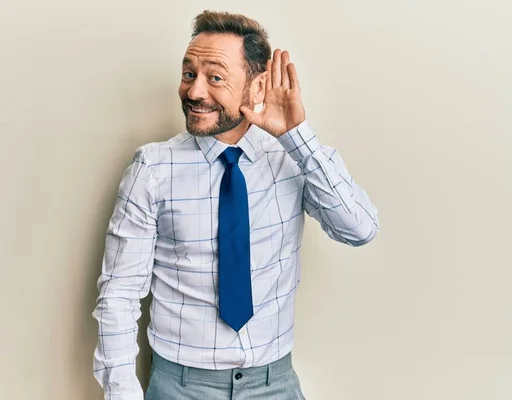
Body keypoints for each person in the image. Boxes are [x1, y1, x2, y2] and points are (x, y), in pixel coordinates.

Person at [93, 10, 379, 400]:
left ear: (256, 86)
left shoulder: (291, 158)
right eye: (189, 73)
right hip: (180, 387)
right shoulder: (153, 168)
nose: (194, 92)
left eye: (215, 77)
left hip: (273, 384)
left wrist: (298, 137)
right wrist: (123, 393)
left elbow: (359, 228)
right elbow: (120, 294)